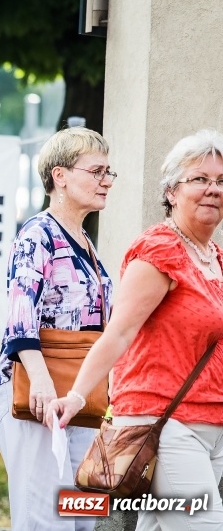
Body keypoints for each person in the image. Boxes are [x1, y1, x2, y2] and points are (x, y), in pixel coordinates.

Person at [47, 129, 223, 529]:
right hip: (166, 425)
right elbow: (120, 332)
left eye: (221, 181)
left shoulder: (216, 259)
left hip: (213, 427)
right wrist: (77, 396)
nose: (212, 189)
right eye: (199, 179)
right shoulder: (160, 249)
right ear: (172, 191)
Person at [0, 126, 115, 530]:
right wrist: (43, 385)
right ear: (59, 175)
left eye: (109, 173)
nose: (105, 181)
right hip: (38, 392)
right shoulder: (37, 234)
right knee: (43, 517)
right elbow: (20, 317)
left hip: (78, 396)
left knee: (81, 516)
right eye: (96, 171)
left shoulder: (85, 242)